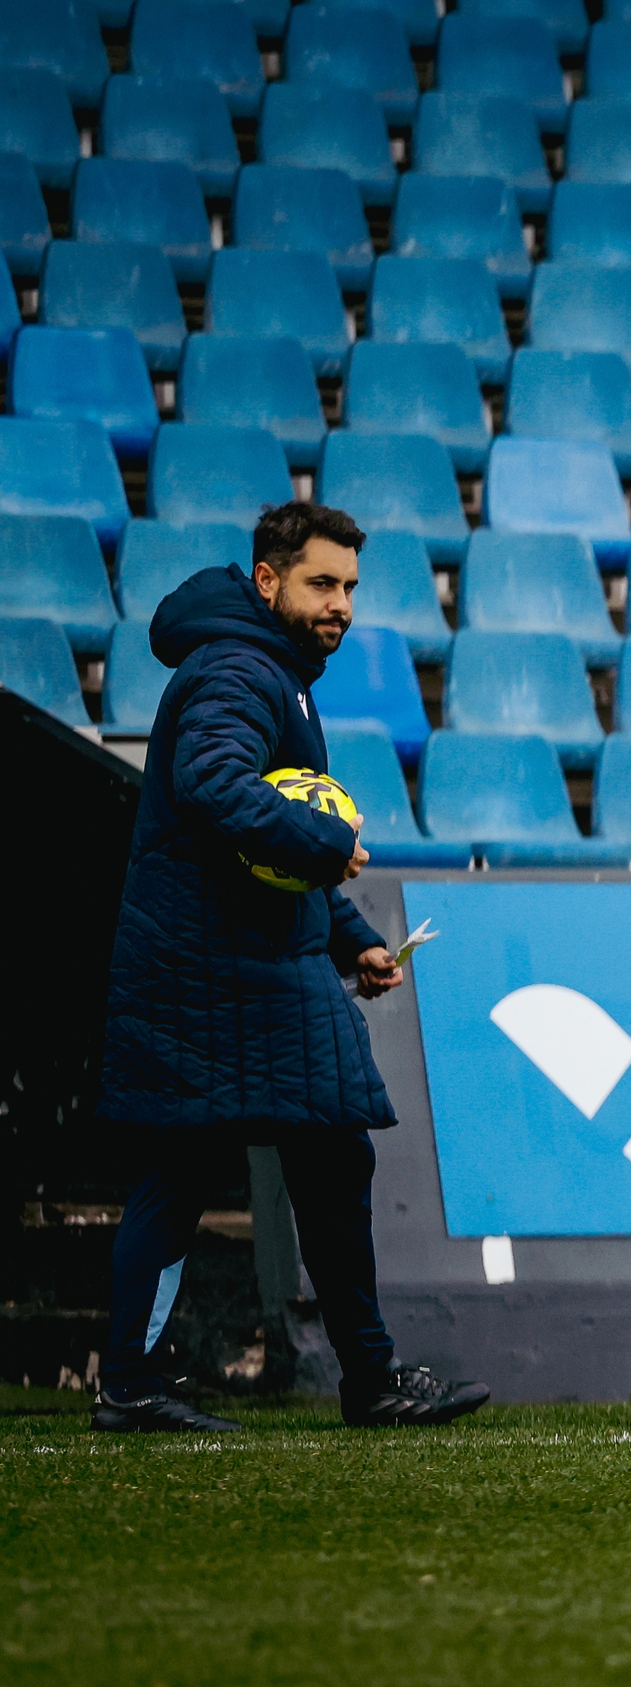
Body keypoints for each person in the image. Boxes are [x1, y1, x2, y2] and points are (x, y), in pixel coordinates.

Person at [95, 501, 490, 1433]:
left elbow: (260, 857)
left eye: (350, 585)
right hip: (206, 970)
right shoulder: (238, 667)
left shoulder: (274, 668)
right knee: (186, 1172)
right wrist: (325, 841)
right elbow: (213, 783)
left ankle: (368, 1377)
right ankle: (136, 1384)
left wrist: (350, 935)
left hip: (250, 962)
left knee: (329, 1152)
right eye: (322, 582)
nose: (341, 603)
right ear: (268, 581)